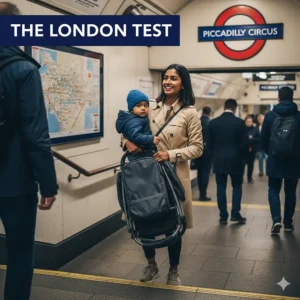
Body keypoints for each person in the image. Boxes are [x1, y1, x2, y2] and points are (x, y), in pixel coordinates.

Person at [122, 64, 203, 286]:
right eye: (165, 78)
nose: (167, 82)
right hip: (145, 175)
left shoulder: (189, 113)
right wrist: (126, 142)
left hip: (173, 175)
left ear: (182, 83)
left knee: (173, 224)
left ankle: (173, 270)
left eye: (173, 78)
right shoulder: (149, 107)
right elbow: (128, 129)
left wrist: (170, 154)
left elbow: (197, 148)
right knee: (144, 217)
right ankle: (151, 265)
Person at [0, 3, 58, 300]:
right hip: (15, 183)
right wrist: (48, 184)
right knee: (20, 254)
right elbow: (36, 136)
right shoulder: (23, 70)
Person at [261, 86, 300, 234]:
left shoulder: (270, 116)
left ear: (278, 98)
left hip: (275, 159)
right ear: (292, 98)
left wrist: (270, 152)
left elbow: (263, 140)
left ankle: (276, 219)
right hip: (294, 161)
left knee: (273, 190)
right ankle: (288, 223)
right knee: (290, 192)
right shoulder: (298, 116)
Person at [208, 99, 248, 225]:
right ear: (234, 108)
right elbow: (246, 144)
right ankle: (235, 214)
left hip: (219, 160)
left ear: (224, 107)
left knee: (221, 187)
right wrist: (242, 158)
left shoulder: (213, 123)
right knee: (237, 186)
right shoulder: (240, 123)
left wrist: (215, 155)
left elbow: (209, 145)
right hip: (236, 160)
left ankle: (223, 216)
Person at [115, 89, 160, 160]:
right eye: (138, 106)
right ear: (131, 109)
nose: (143, 108)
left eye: (145, 106)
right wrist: (125, 142)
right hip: (141, 154)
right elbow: (133, 135)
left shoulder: (139, 117)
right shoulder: (134, 120)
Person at [196, 106, 212, 201]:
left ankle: (200, 193)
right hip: (208, 152)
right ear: (210, 113)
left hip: (197, 150)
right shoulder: (210, 123)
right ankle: (203, 194)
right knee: (206, 173)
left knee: (199, 172)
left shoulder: (197, 122)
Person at [244, 115, 260, 183]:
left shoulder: (255, 129)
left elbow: (259, 138)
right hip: (243, 150)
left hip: (252, 150)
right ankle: (240, 178)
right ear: (245, 122)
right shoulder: (242, 129)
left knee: (250, 165)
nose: (249, 123)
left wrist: (252, 139)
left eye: (250, 121)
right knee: (242, 165)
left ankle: (249, 178)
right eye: (248, 121)